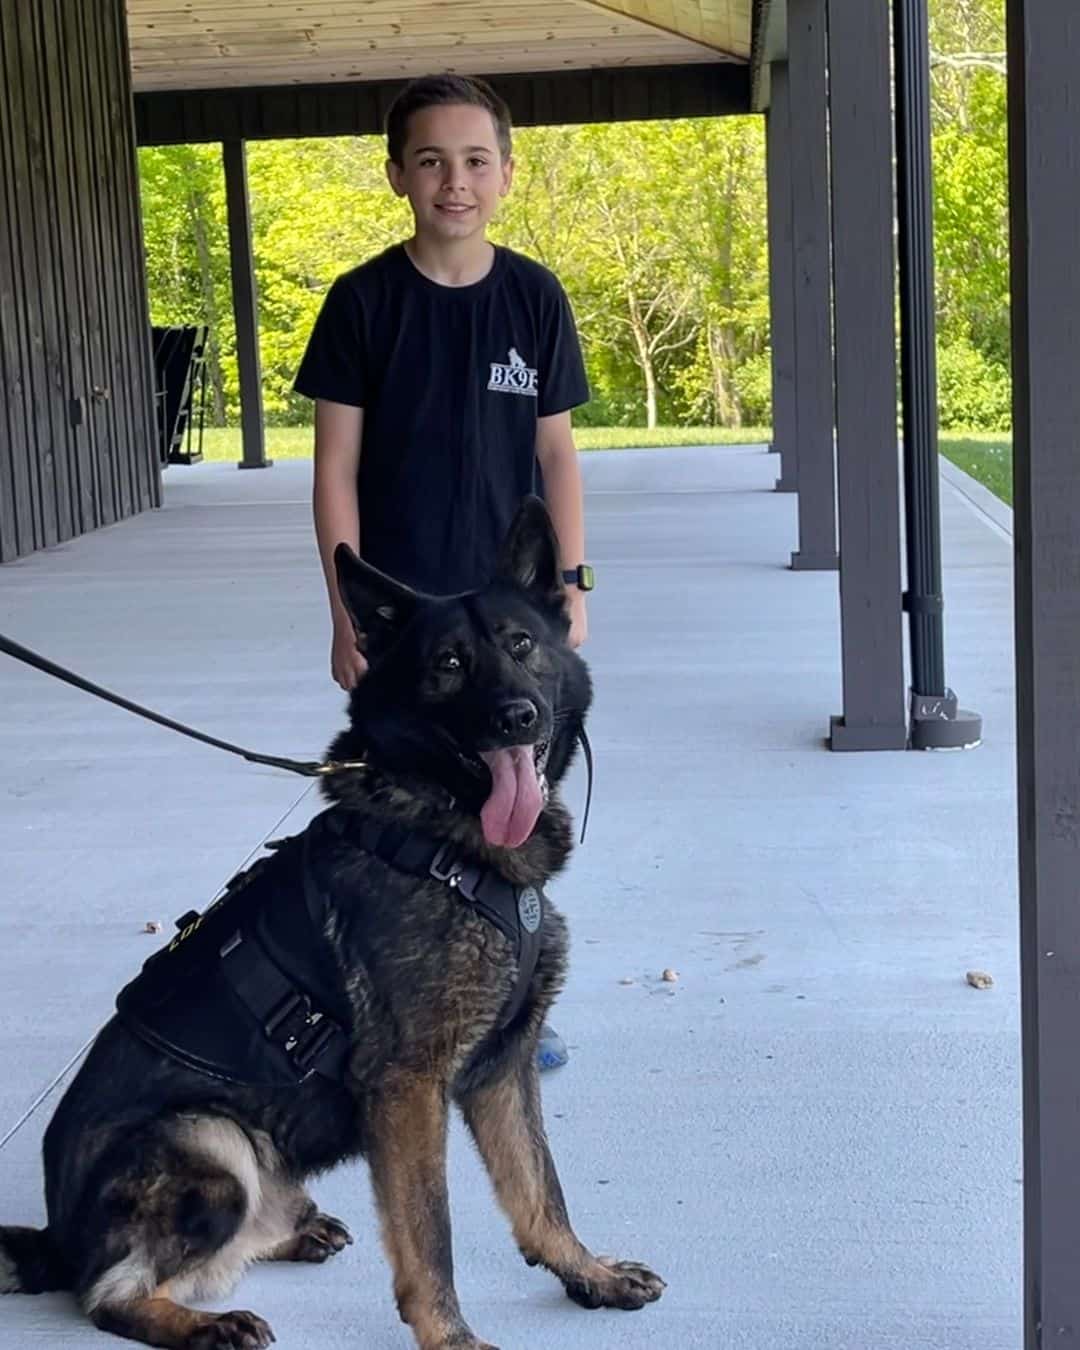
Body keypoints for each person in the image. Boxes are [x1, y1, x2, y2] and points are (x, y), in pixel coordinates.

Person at [293, 73, 593, 1071]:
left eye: (474, 161)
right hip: (408, 611)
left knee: (521, 789)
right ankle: (408, 992)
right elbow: (335, 466)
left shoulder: (534, 298)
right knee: (411, 800)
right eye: (430, 161)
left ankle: (507, 999)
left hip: (508, 606)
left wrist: (574, 585)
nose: (453, 181)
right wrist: (347, 613)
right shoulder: (363, 303)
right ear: (396, 176)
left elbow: (555, 456)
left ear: (505, 175)